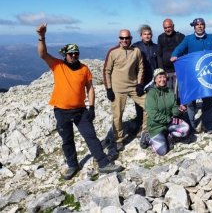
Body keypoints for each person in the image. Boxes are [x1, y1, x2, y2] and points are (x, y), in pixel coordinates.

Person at [36, 23, 123, 180]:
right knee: (67, 140)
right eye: (71, 54)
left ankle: (103, 164)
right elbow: (43, 54)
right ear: (66, 55)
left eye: (76, 53)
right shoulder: (58, 65)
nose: (74, 56)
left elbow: (90, 88)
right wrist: (42, 37)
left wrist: (92, 107)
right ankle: (72, 165)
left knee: (91, 137)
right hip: (61, 110)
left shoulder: (84, 69)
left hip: (80, 111)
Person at [103, 29, 147, 152]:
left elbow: (140, 67)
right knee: (117, 115)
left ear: (130, 38)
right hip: (117, 88)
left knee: (149, 104)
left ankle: (145, 131)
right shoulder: (113, 52)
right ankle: (119, 140)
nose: (124, 40)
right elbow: (107, 70)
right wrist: (109, 89)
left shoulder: (136, 51)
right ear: (119, 39)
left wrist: (139, 84)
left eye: (126, 38)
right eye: (122, 38)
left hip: (133, 86)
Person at [142, 68, 190, 155]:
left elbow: (174, 107)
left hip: (168, 123)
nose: (162, 79)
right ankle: (147, 136)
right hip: (156, 126)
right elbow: (153, 114)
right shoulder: (151, 94)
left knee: (185, 129)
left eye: (164, 77)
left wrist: (179, 110)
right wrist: (169, 120)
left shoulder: (169, 92)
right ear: (155, 79)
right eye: (159, 77)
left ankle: (167, 134)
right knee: (162, 152)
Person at [134, 25, 158, 128]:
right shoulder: (135, 47)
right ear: (141, 36)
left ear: (151, 35)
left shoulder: (156, 47)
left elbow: (158, 62)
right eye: (145, 34)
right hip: (140, 79)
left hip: (152, 78)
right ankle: (140, 122)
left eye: (149, 34)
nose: (147, 36)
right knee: (139, 102)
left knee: (153, 101)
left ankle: (152, 121)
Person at [157, 18, 185, 92]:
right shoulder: (161, 37)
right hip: (166, 71)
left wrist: (180, 69)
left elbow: (184, 54)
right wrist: (162, 71)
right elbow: (159, 55)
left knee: (179, 92)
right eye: (165, 28)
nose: (167, 29)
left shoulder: (181, 37)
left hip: (178, 70)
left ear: (173, 26)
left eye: (169, 27)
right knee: (168, 92)